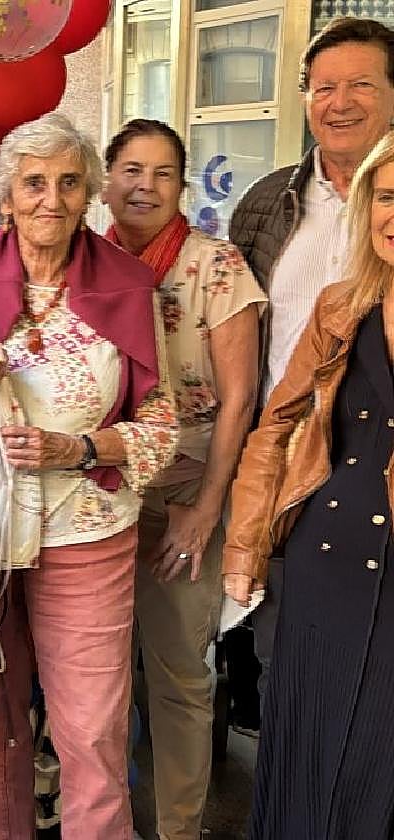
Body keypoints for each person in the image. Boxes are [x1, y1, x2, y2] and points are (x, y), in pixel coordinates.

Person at [0, 112, 179, 840]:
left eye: (70, 183)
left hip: (89, 536)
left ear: (89, 195)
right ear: (6, 196)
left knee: (90, 732)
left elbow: (164, 433)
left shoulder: (129, 288)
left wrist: (80, 448)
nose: (51, 198)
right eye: (34, 183)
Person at [223, 129, 394, 840]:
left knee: (379, 765)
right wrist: (244, 547)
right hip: (323, 570)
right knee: (304, 747)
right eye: (386, 196)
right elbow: (275, 426)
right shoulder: (338, 305)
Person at [102, 119, 266, 840]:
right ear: (107, 178)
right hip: (97, 494)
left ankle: (179, 828)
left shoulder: (216, 267)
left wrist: (204, 510)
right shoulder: (85, 263)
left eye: (163, 173)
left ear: (182, 185)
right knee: (96, 680)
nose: (145, 185)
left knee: (177, 676)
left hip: (181, 491)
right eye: (131, 169)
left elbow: (239, 400)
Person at [228, 16, 394, 718]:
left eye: (360, 83)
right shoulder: (269, 203)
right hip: (292, 482)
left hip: (378, 474)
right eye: (323, 87)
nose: (340, 101)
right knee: (290, 681)